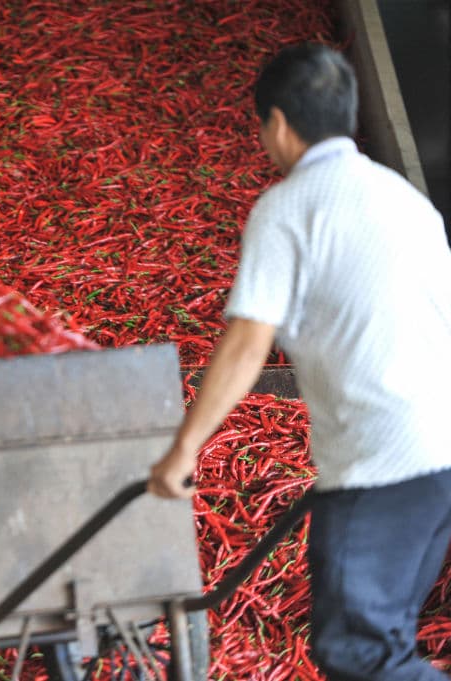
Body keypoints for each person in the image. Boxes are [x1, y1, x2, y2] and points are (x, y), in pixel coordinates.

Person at [147, 43, 451, 680]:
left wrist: (183, 450)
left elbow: (247, 344)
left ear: (278, 124)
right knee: (385, 640)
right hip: (439, 461)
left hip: (380, 464)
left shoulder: (289, 208)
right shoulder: (405, 201)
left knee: (358, 656)